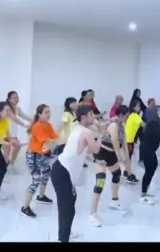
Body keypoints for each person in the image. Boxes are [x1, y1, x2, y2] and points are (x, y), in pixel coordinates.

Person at [50, 105, 102, 242]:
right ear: (83, 117)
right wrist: (101, 134)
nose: (94, 117)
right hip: (62, 172)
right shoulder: (86, 132)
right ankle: (63, 238)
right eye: (91, 115)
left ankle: (66, 233)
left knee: (70, 203)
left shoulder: (78, 128)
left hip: (62, 170)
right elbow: (96, 149)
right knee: (67, 209)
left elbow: (86, 150)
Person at [90, 105, 130, 227]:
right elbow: (115, 143)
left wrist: (127, 160)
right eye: (126, 116)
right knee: (100, 181)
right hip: (102, 153)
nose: (127, 118)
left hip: (111, 153)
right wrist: (121, 159)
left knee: (117, 173)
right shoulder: (113, 125)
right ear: (121, 115)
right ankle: (93, 214)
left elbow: (124, 143)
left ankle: (114, 200)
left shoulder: (121, 126)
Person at [21, 104, 58, 218]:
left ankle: (41, 196)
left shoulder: (48, 125)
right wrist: (61, 139)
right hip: (33, 156)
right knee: (36, 180)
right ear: (39, 114)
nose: (48, 114)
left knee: (46, 174)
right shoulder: (37, 126)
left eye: (49, 112)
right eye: (46, 112)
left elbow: (54, 137)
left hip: (43, 154)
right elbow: (47, 140)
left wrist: (60, 139)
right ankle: (25, 207)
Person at [138, 117, 160, 204]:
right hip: (147, 151)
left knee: (154, 166)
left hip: (149, 151)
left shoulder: (153, 126)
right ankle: (143, 195)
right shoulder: (155, 130)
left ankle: (145, 192)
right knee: (148, 171)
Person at [6, 91, 31, 171]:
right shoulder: (7, 108)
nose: (17, 99)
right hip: (6, 133)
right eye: (14, 98)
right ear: (9, 99)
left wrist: (35, 121)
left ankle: (11, 164)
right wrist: (25, 125)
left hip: (13, 134)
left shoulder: (17, 108)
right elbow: (14, 119)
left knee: (16, 147)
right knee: (16, 147)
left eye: (17, 97)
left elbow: (24, 116)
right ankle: (7, 165)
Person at [124, 100, 144, 178]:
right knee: (128, 158)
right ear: (133, 107)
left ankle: (127, 171)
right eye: (138, 106)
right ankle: (128, 174)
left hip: (129, 139)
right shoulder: (135, 116)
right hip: (128, 140)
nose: (139, 107)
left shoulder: (132, 115)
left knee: (128, 157)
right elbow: (144, 125)